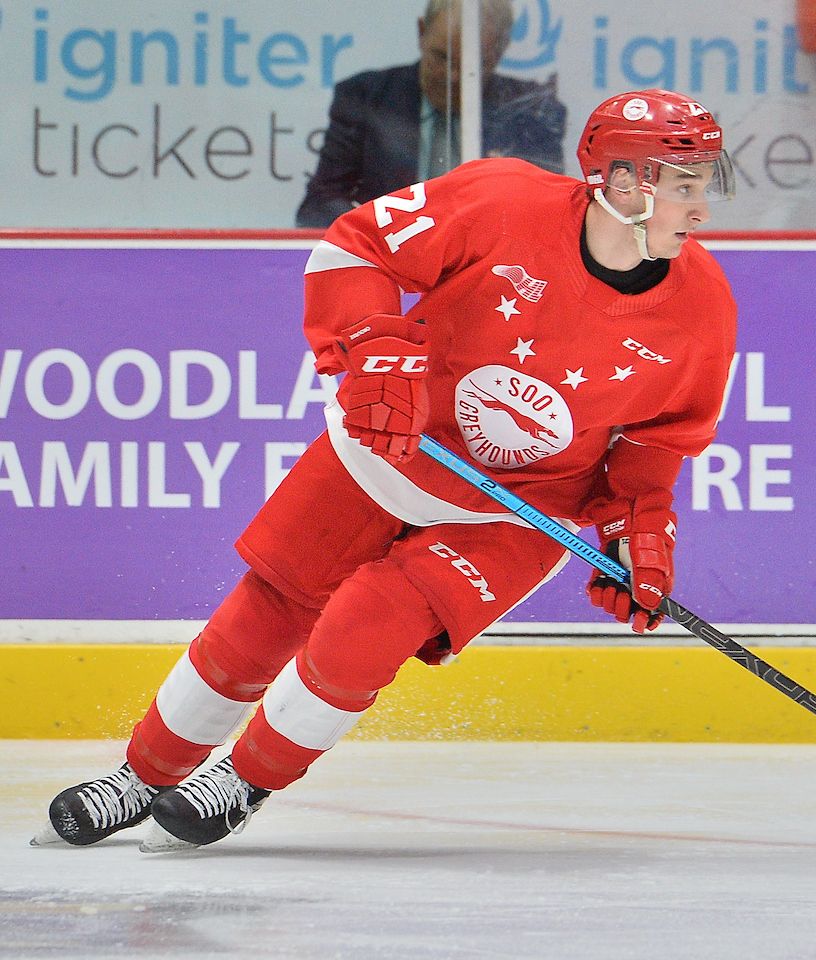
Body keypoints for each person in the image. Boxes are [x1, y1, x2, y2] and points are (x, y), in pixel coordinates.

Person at [34, 88, 738, 853]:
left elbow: (657, 441)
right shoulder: (499, 198)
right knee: (265, 617)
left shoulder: (703, 306)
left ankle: (243, 781)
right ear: (627, 182)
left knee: (368, 623)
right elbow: (354, 245)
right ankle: (144, 775)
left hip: (513, 511)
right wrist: (373, 349)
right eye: (687, 185)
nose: (702, 209)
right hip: (387, 449)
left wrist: (639, 532)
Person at [295, 0, 567, 228]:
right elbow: (318, 205)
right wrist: (379, 231)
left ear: (500, 50)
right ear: (421, 32)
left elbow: (548, 213)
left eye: (472, 63)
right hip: (390, 260)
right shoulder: (365, 98)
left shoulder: (531, 111)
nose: (453, 77)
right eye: (442, 57)